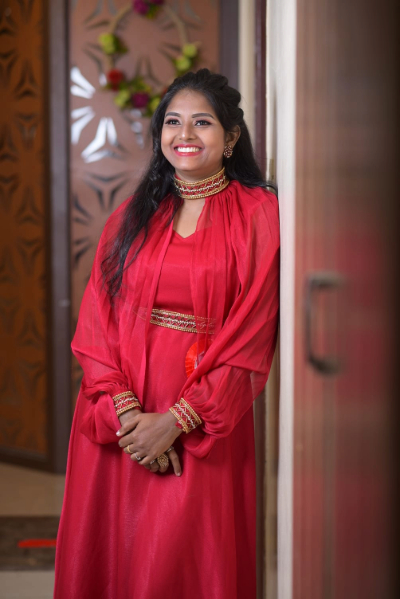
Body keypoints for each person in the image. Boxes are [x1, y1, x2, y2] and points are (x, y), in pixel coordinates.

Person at [54, 68, 280, 599]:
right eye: (173, 121)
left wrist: (176, 422)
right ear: (159, 135)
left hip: (204, 417)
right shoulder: (134, 214)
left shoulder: (259, 215)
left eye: (203, 122)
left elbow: (253, 332)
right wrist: (129, 416)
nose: (186, 133)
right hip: (120, 414)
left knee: (185, 558)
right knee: (114, 553)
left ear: (230, 138)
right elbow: (95, 323)